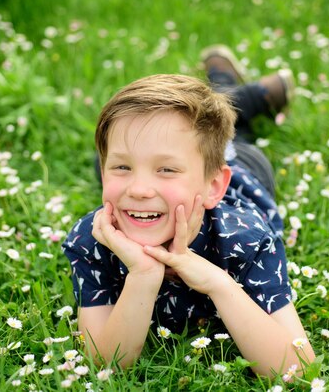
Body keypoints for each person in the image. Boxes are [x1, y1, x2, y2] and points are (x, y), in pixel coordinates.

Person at [62, 45, 315, 377]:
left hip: (242, 173)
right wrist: (142, 275)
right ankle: (241, 93)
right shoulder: (93, 238)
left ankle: (239, 94)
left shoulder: (245, 239)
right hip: (186, 175)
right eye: (121, 167)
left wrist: (218, 283)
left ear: (212, 187)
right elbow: (103, 363)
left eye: (166, 170)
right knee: (138, 146)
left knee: (230, 142)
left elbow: (296, 369)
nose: (138, 189)